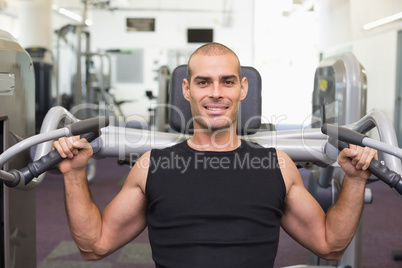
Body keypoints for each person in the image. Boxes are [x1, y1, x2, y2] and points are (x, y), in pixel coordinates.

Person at [53, 42, 377, 267]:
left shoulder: (277, 166)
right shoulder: (152, 166)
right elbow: (93, 246)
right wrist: (73, 173)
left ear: (243, 89)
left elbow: (329, 245)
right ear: (186, 89)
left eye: (227, 81)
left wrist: (355, 180)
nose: (216, 93)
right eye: (203, 82)